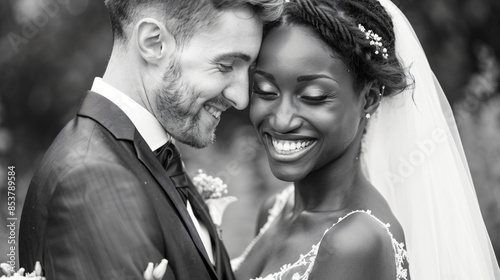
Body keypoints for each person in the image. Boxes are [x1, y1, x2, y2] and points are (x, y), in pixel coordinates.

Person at [233, 0, 500, 279]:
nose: (281, 120)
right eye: (265, 90)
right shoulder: (276, 209)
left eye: (313, 96)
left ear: (369, 99)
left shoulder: (354, 243)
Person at [18, 0, 281, 279]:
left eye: (248, 69)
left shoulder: (151, 158)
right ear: (153, 43)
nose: (241, 98)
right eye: (226, 65)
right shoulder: (92, 179)